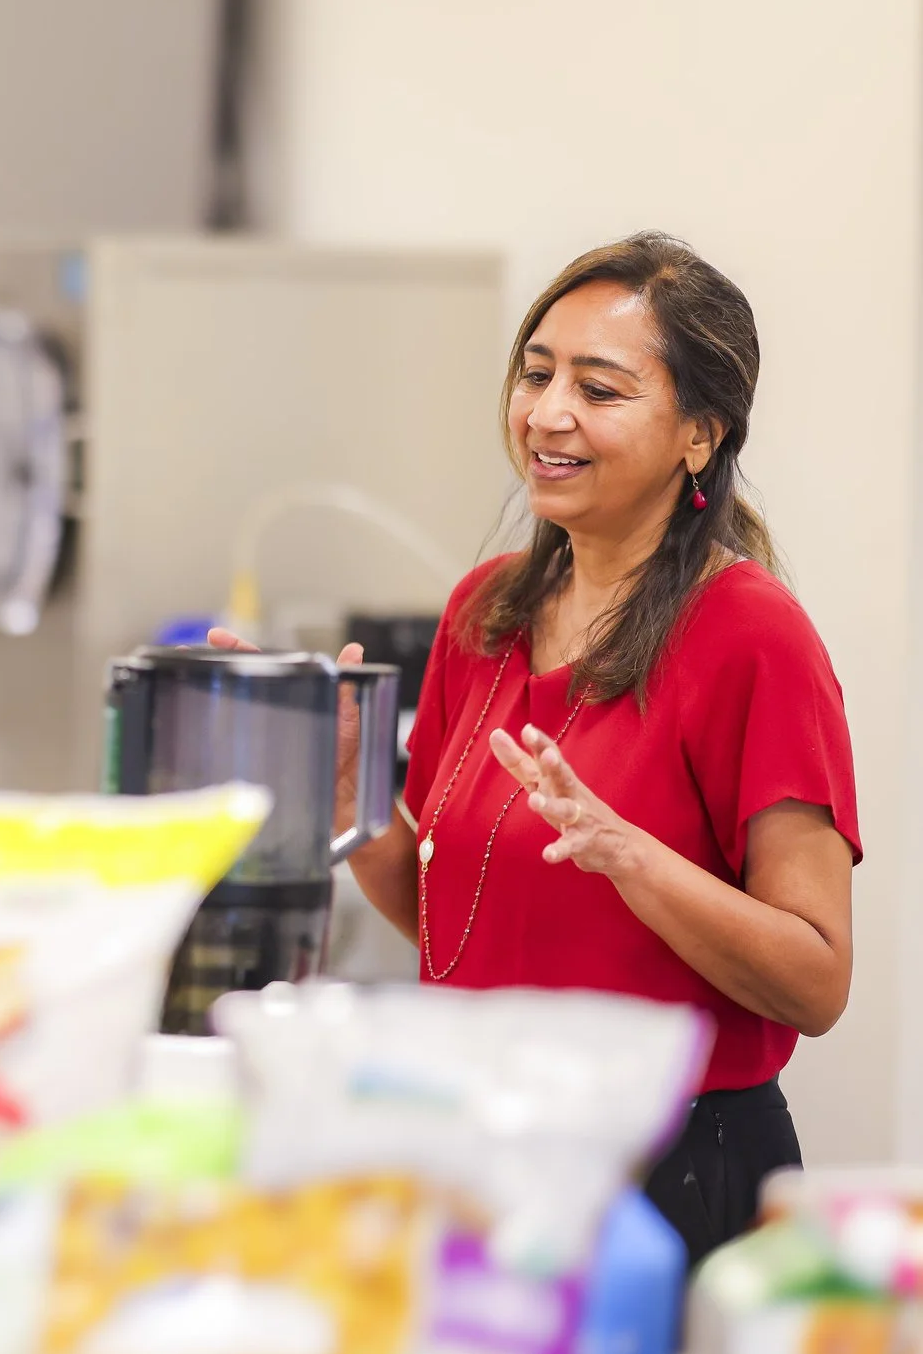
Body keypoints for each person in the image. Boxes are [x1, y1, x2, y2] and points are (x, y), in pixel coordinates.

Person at [216, 231, 858, 1265]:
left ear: (699, 432)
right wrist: (345, 795)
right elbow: (450, 916)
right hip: (479, 1149)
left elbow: (816, 978)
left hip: (667, 1173)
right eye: (535, 373)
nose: (547, 413)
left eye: (599, 390)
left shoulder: (750, 634)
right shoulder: (485, 610)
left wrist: (628, 855)